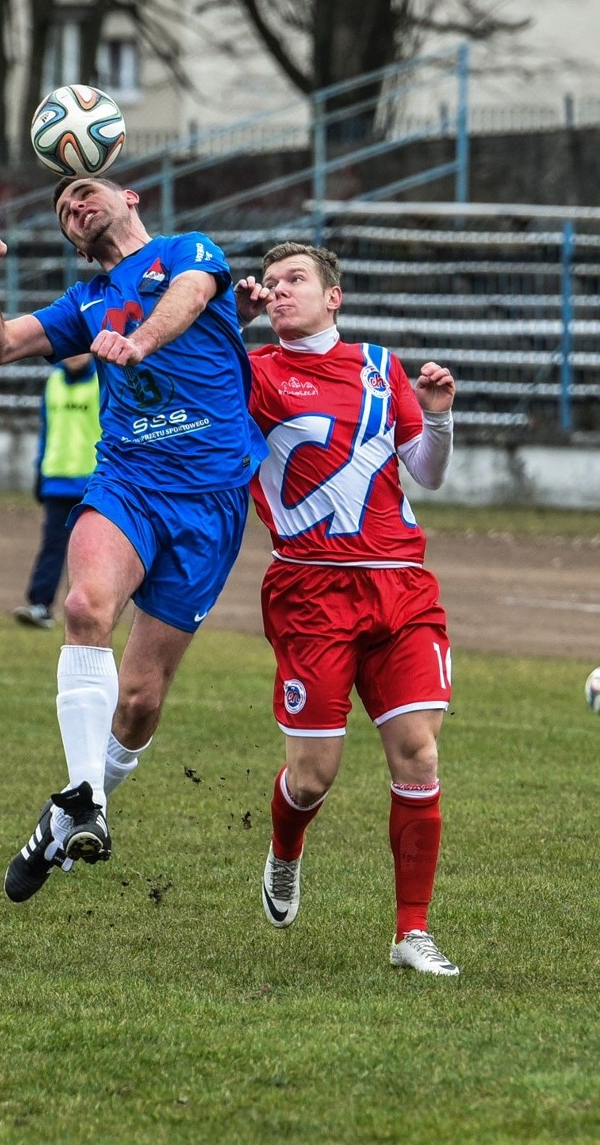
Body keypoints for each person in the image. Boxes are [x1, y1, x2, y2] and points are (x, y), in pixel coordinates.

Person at [0, 176, 266, 902]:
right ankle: (85, 798)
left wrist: (140, 340)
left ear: (128, 194)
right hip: (126, 482)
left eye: (85, 191)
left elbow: (189, 296)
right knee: (85, 608)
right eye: (63, 208)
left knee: (140, 701)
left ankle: (64, 820)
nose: (74, 206)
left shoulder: (190, 251)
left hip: (212, 501)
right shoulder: (83, 302)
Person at [236, 241, 459, 975]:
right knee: (311, 779)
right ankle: (285, 851)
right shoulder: (253, 373)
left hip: (400, 584)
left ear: (334, 296)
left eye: (294, 279)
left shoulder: (377, 366)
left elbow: (422, 472)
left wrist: (437, 419)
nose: (278, 291)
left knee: (418, 752)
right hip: (311, 592)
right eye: (270, 284)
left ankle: (411, 933)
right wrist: (226, 329)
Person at [13, 352, 101, 630]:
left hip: (94, 481)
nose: (73, 355)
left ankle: (92, 610)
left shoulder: (103, 381)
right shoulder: (53, 383)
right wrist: (40, 472)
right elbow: (47, 432)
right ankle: (41, 605)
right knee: (52, 547)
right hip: (57, 480)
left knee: (95, 552)